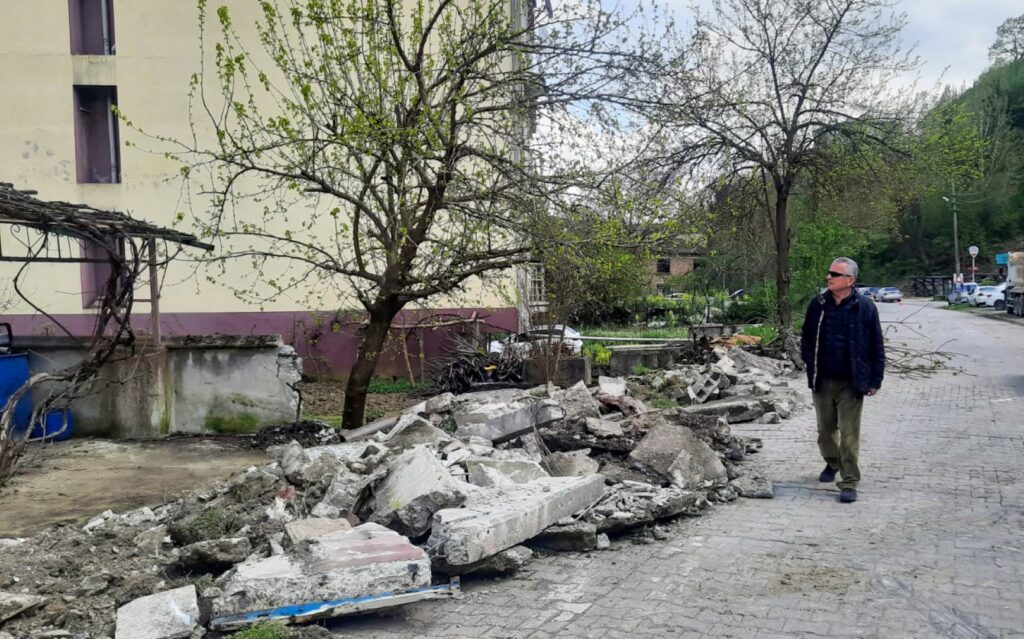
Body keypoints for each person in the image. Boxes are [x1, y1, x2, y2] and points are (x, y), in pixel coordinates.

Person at [800, 257, 885, 503]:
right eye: (829, 273)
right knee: (825, 431)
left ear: (850, 280)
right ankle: (832, 462)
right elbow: (807, 338)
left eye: (835, 274)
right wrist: (808, 361)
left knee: (849, 434)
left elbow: (876, 344)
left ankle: (849, 481)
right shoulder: (818, 305)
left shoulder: (865, 307)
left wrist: (875, 379)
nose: (829, 277)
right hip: (822, 379)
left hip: (852, 381)